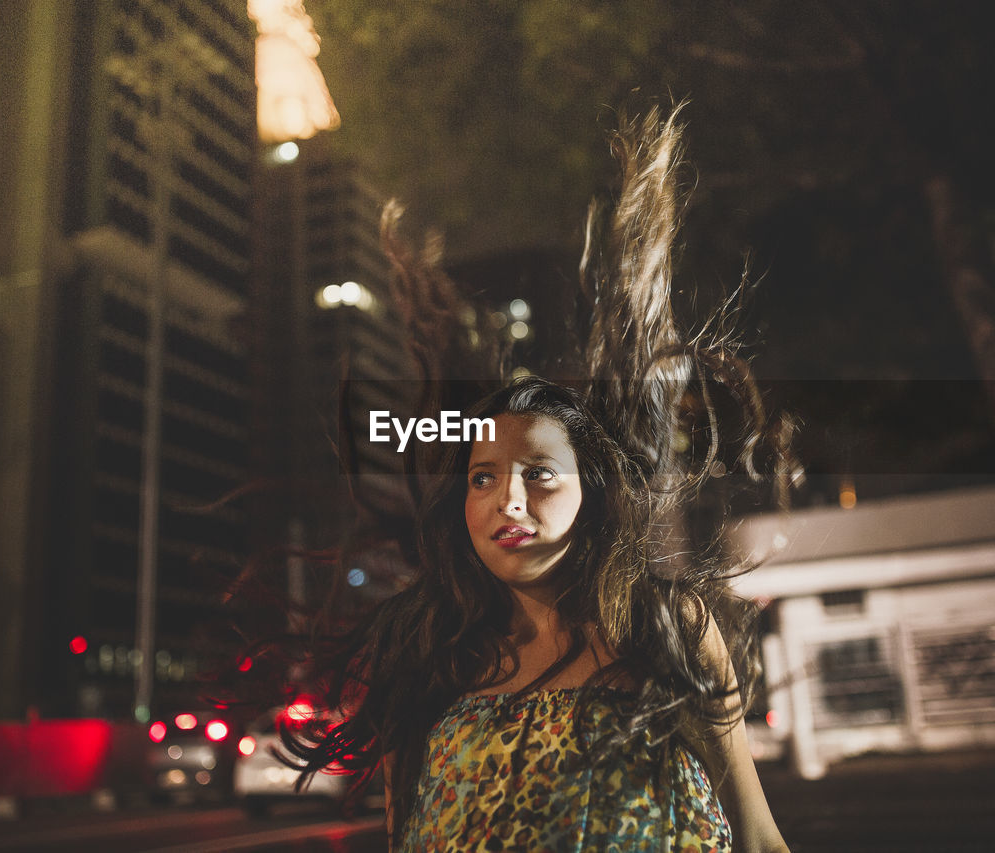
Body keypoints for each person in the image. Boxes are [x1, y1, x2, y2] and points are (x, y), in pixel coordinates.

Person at [275, 106, 794, 852]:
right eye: (482, 478)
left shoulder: (665, 627)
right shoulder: (431, 653)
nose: (506, 500)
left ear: (594, 494)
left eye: (539, 474)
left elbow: (757, 833)